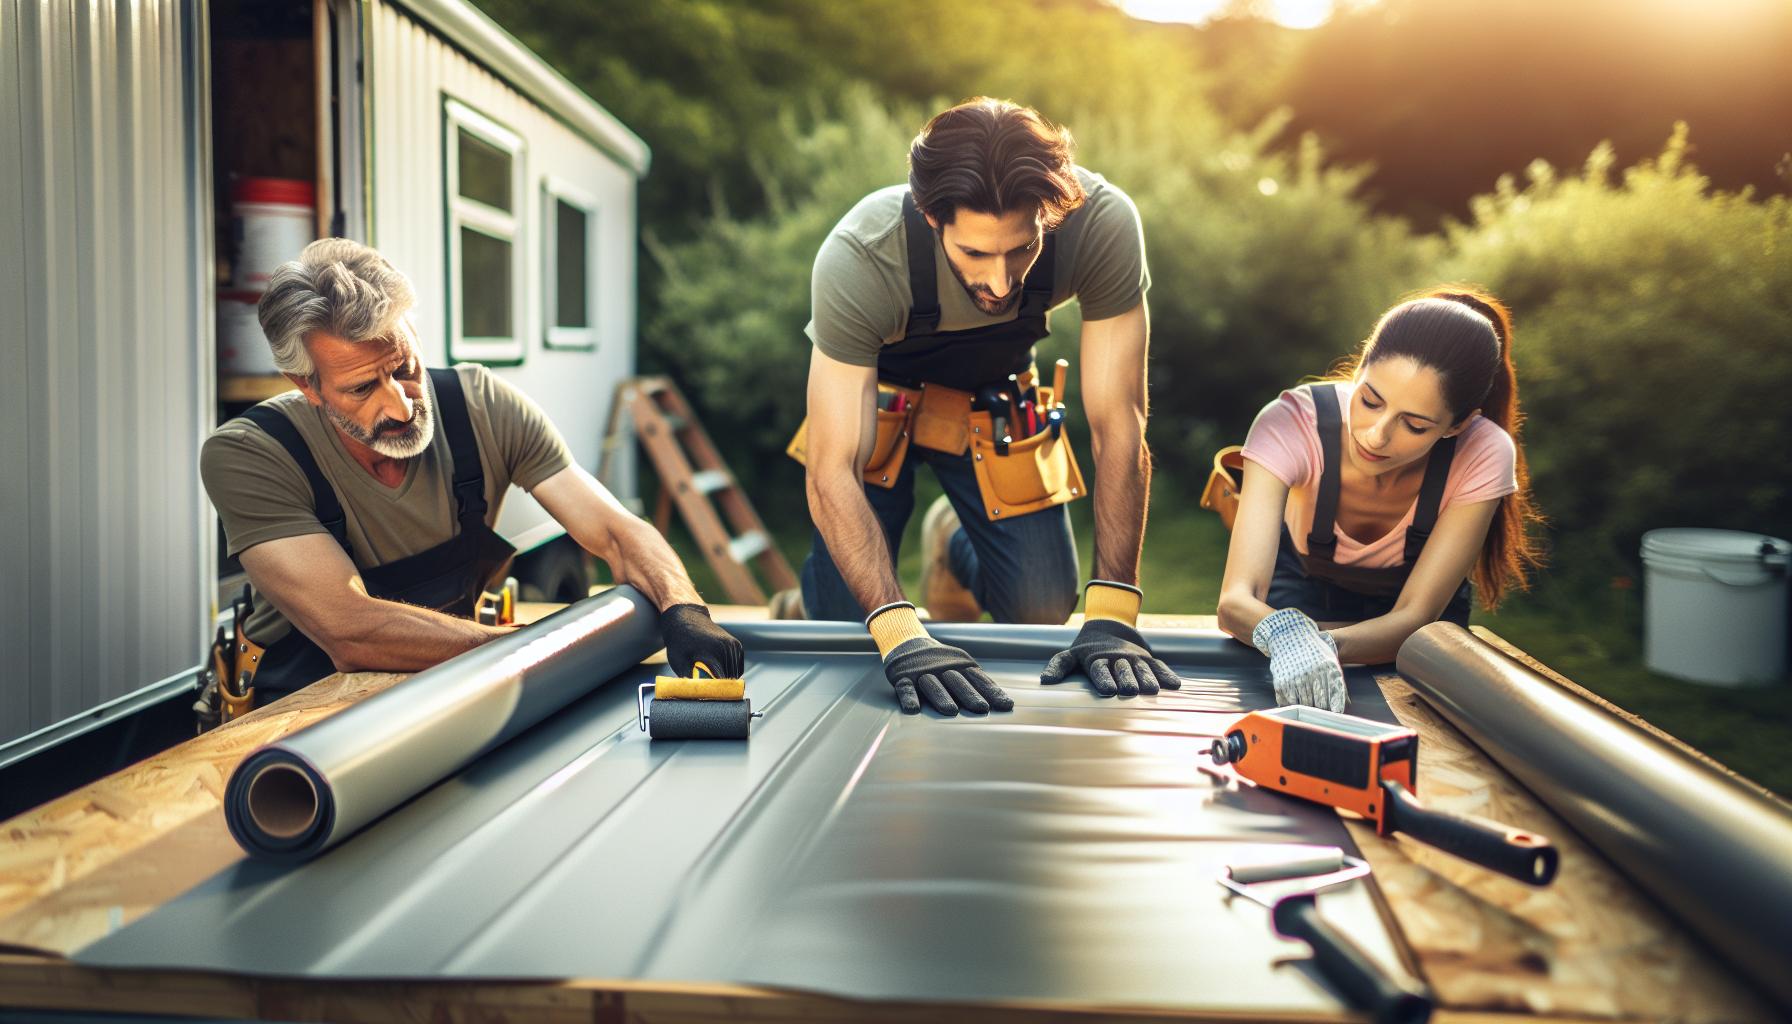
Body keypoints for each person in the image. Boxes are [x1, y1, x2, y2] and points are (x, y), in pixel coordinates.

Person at [201, 238, 742, 707]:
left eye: (405, 368)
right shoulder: (251, 454)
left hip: (450, 690)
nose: (401, 406)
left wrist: (683, 607)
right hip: (296, 713)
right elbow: (350, 629)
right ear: (307, 386)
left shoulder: (482, 407)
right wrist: (532, 650)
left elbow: (614, 531)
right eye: (363, 388)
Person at [793, 97, 1178, 716]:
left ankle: (950, 534)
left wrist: (1112, 612)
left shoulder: (1101, 222)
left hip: (995, 403)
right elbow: (831, 467)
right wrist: (900, 633)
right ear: (931, 217)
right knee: (849, 631)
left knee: (1040, 610)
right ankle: (813, 599)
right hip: (878, 409)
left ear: (1048, 214)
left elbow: (1119, 424)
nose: (1001, 284)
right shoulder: (862, 256)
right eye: (975, 255)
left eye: (1021, 249)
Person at [1216, 287, 1543, 711]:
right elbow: (1237, 602)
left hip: (1415, 627)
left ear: (1457, 425)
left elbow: (1416, 617)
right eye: (1370, 401)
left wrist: (1319, 646)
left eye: (1415, 425)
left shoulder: (1485, 451)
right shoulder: (1291, 422)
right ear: (1359, 370)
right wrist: (1284, 634)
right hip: (1303, 589)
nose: (1376, 435)